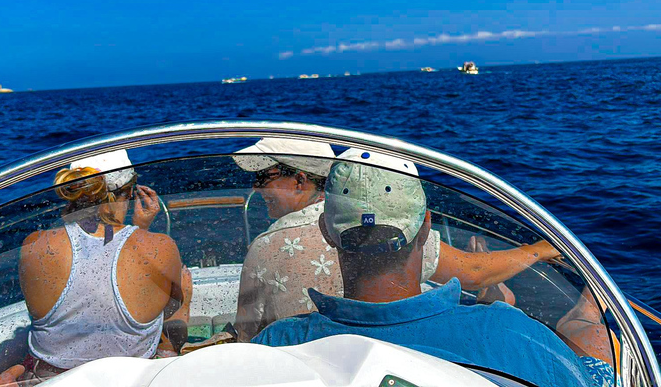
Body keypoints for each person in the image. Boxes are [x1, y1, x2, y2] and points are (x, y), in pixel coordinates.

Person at [252, 160, 605, 387]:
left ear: (326, 232)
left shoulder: (278, 345)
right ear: (426, 228)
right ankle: (584, 317)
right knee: (591, 337)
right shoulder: (514, 333)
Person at [234, 139, 561, 341]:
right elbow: (474, 272)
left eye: (263, 178)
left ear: (299, 181)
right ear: (423, 228)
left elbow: (248, 338)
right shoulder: (393, 227)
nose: (256, 189)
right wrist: (534, 250)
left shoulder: (264, 249)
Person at [19, 149, 190, 380]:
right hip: (130, 381)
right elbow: (164, 305)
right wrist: (141, 231)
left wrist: (138, 232)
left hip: (51, 381)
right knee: (183, 289)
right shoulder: (159, 247)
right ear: (130, 191)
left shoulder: (35, 245)